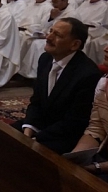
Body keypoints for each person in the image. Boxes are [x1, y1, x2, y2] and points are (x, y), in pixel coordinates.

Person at [12, 17, 101, 154]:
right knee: (2, 135)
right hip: (41, 125)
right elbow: (36, 102)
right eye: (50, 31)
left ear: (75, 45)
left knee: (23, 154)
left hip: (65, 135)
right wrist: (29, 127)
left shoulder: (87, 74)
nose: (49, 37)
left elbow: (75, 121)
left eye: (57, 35)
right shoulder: (45, 59)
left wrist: (37, 138)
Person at [71, 45, 108, 181]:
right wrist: (75, 157)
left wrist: (95, 167)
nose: (106, 48)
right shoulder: (104, 83)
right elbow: (96, 128)